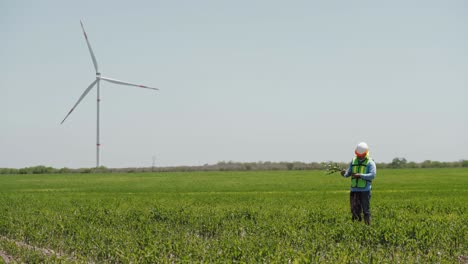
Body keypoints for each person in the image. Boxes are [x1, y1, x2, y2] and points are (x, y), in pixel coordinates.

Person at [340, 142, 377, 225]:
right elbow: (348, 173)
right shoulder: (353, 161)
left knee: (366, 211)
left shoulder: (370, 162)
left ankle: (368, 226)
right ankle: (356, 227)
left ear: (366, 153)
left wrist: (360, 175)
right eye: (358, 154)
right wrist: (344, 174)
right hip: (354, 190)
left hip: (365, 190)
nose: (360, 156)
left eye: (362, 155)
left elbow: (372, 175)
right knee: (354, 211)